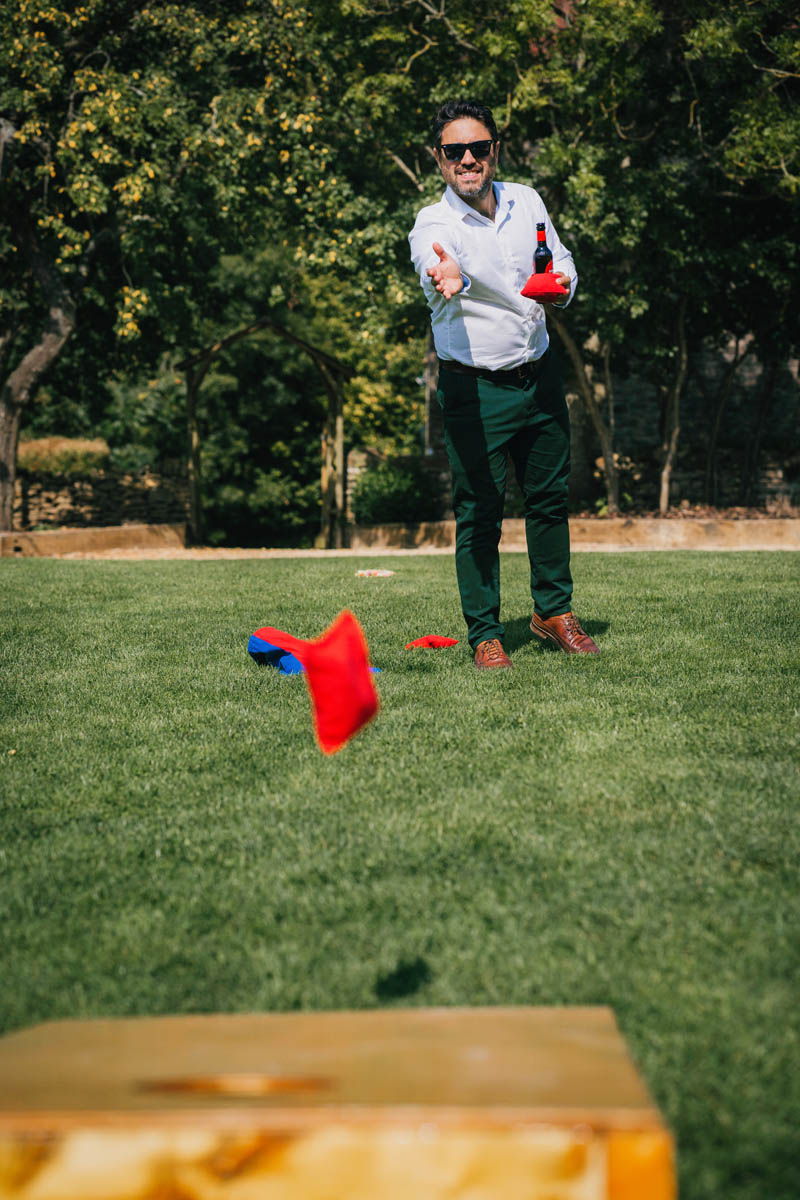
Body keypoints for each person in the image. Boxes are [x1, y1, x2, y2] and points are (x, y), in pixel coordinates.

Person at [408, 98, 599, 669]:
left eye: (478, 147)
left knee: (548, 500)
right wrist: (444, 273)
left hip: (538, 376)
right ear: (438, 159)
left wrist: (559, 284)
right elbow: (433, 261)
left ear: (494, 150)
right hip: (474, 390)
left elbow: (560, 262)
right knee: (479, 511)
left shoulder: (528, 200)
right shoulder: (433, 223)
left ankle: (553, 612)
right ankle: (485, 632)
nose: (468, 159)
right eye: (454, 151)